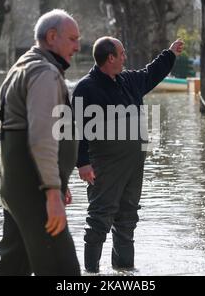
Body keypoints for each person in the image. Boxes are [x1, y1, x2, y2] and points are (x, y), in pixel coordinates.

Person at [72, 37, 184, 273]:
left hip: (133, 165)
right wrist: (82, 163)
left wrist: (170, 54)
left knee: (127, 219)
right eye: (122, 53)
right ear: (110, 57)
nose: (125, 57)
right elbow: (76, 129)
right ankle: (90, 272)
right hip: (105, 166)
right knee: (99, 219)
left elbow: (151, 73)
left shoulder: (128, 80)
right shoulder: (86, 87)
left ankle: (124, 271)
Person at [0, 9, 81, 276]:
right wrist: (52, 190)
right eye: (73, 39)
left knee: (13, 266)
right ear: (52, 37)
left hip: (16, 188)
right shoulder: (45, 73)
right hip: (35, 190)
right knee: (62, 270)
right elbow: (42, 136)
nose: (77, 46)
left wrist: (58, 180)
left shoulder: (20, 67)